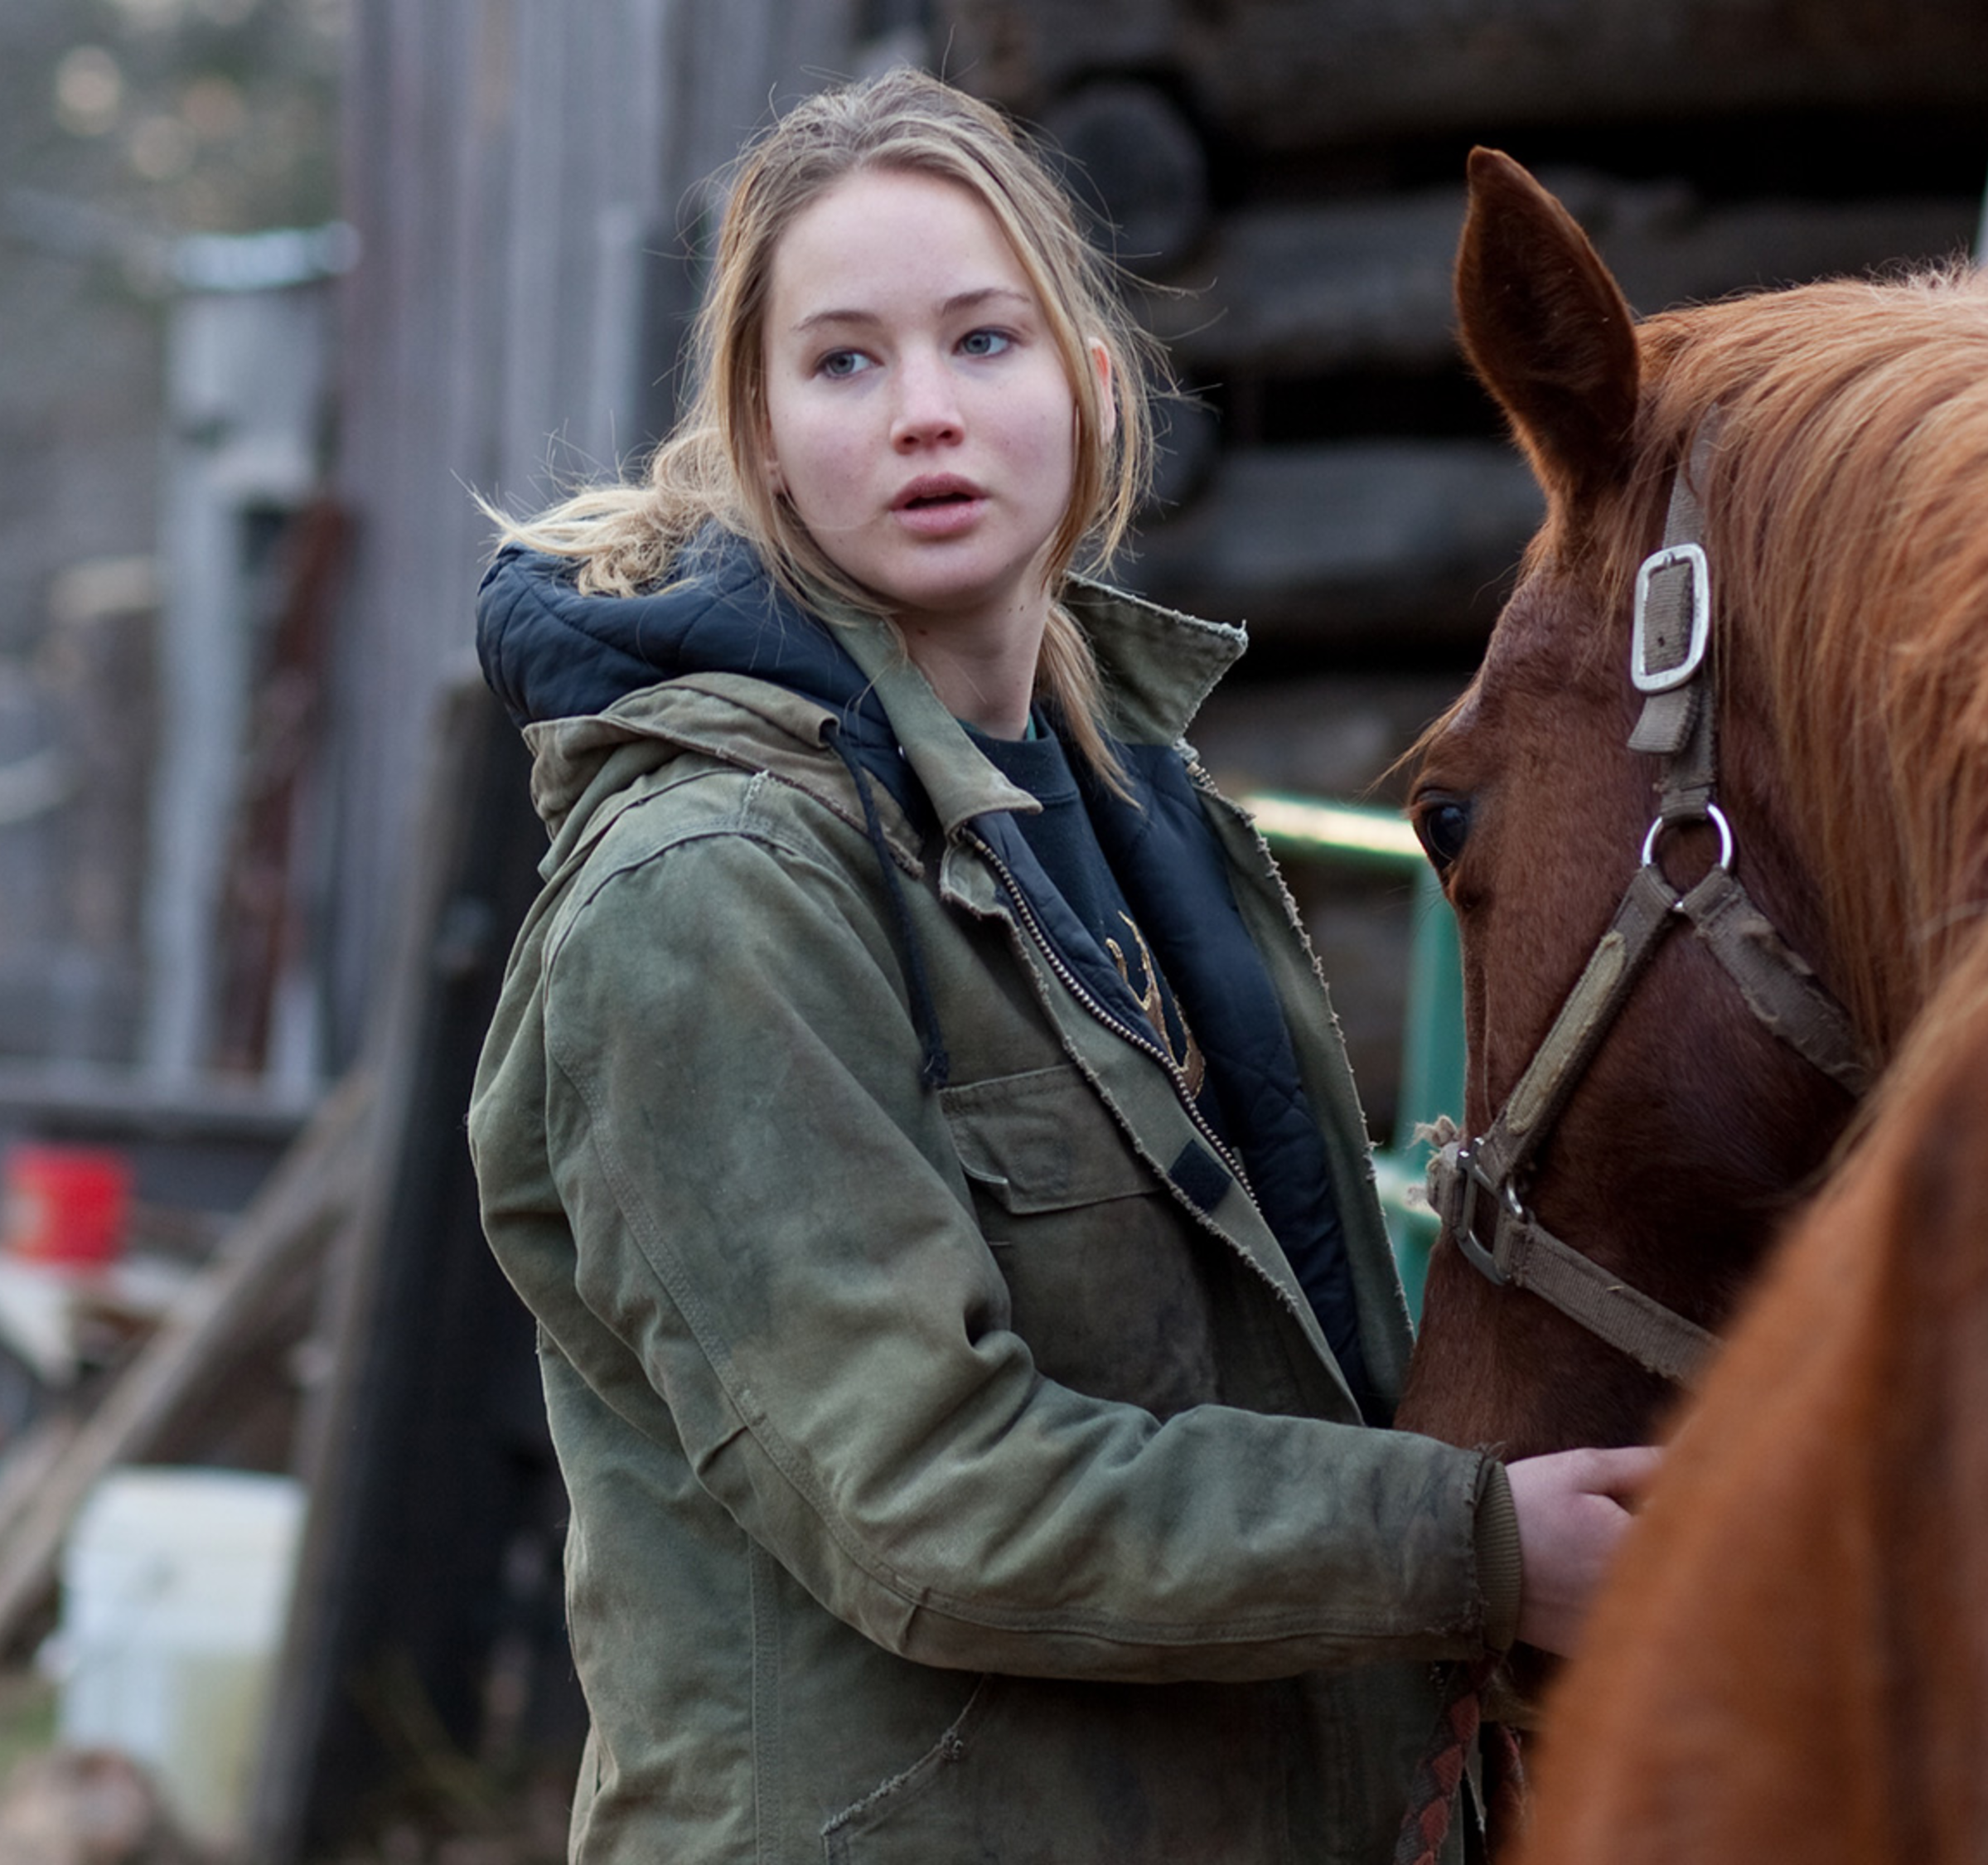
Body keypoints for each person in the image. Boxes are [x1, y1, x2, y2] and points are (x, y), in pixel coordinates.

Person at [468, 66, 1656, 1865]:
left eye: (983, 342)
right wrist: (1471, 1550)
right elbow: (925, 1502)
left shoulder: (1139, 817)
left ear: (1095, 394)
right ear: (761, 439)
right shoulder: (711, 889)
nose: (925, 413)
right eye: (846, 362)